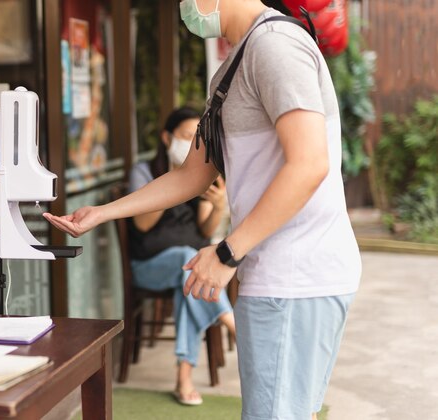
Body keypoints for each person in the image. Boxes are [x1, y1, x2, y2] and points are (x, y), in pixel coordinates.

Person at [44, 0, 361, 419]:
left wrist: (227, 252)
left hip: (296, 277)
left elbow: (309, 165)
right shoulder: (234, 64)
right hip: (273, 276)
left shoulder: (275, 45)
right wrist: (104, 212)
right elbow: (191, 176)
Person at [128, 107, 235, 406]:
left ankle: (183, 379)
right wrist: (171, 184)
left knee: (189, 278)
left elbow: (206, 229)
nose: (190, 145)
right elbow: (142, 223)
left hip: (187, 268)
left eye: (195, 139)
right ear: (166, 138)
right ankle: (232, 323)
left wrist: (217, 207)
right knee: (188, 261)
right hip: (148, 266)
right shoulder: (144, 172)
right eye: (185, 137)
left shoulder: (202, 175)